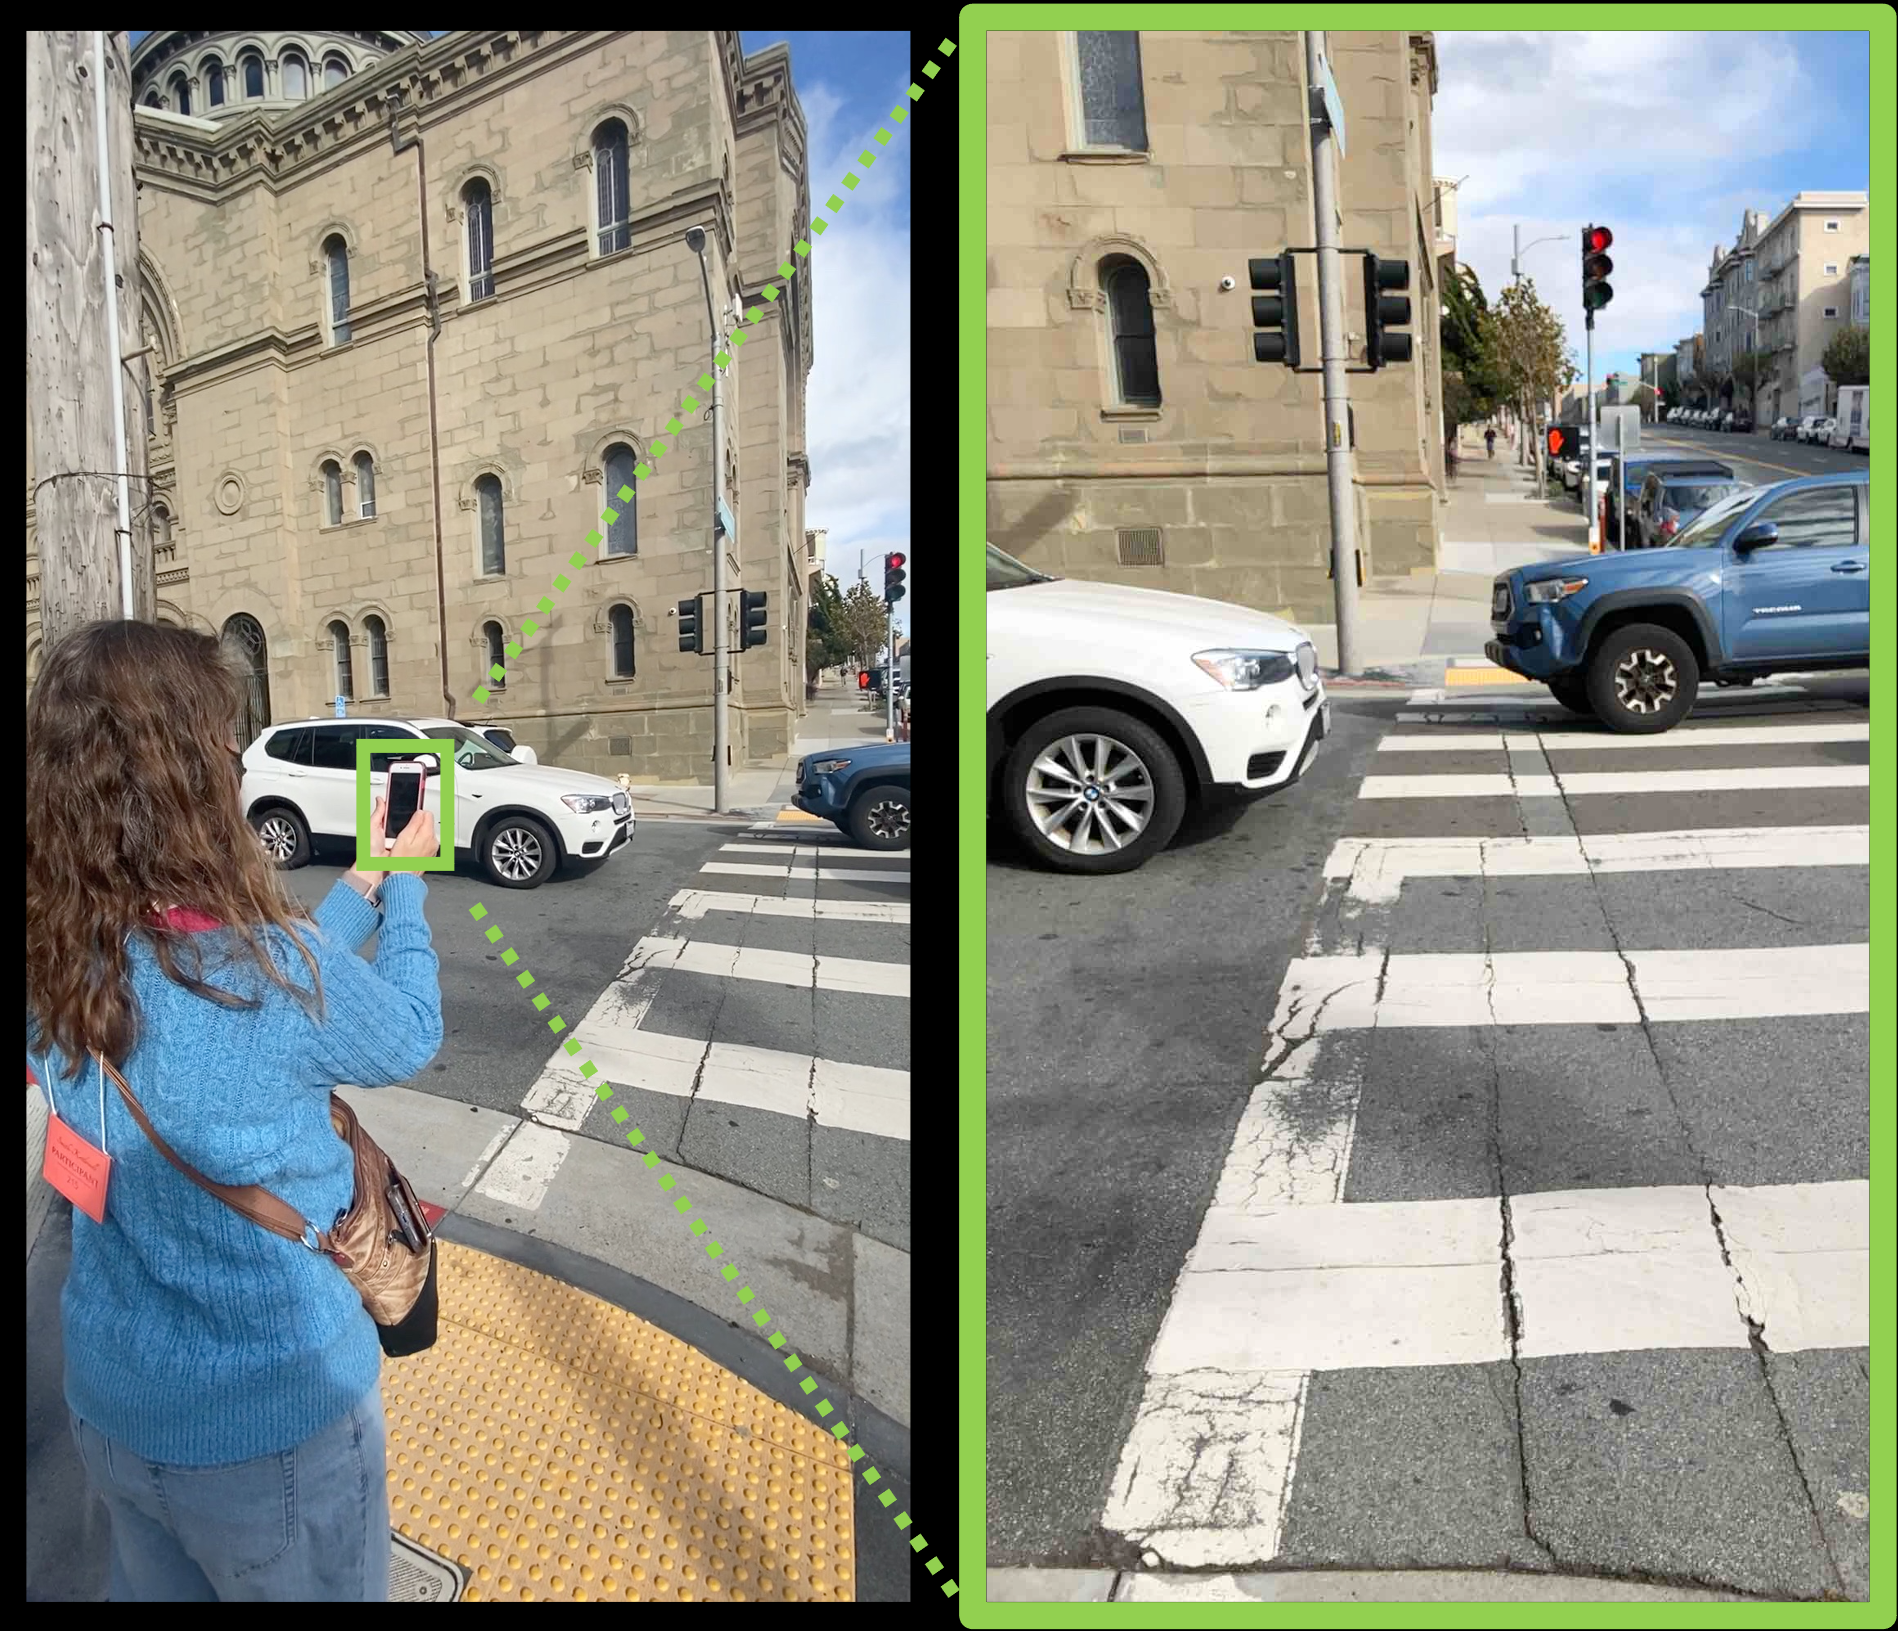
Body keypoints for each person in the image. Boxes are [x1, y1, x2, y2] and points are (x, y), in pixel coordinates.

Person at [25, 619, 445, 1602]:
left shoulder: (54, 961)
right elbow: (405, 1027)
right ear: (191, 776)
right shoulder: (280, 976)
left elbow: (236, 978)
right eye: (224, 742)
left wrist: (362, 884)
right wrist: (411, 884)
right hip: (274, 1432)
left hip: (114, 1405)